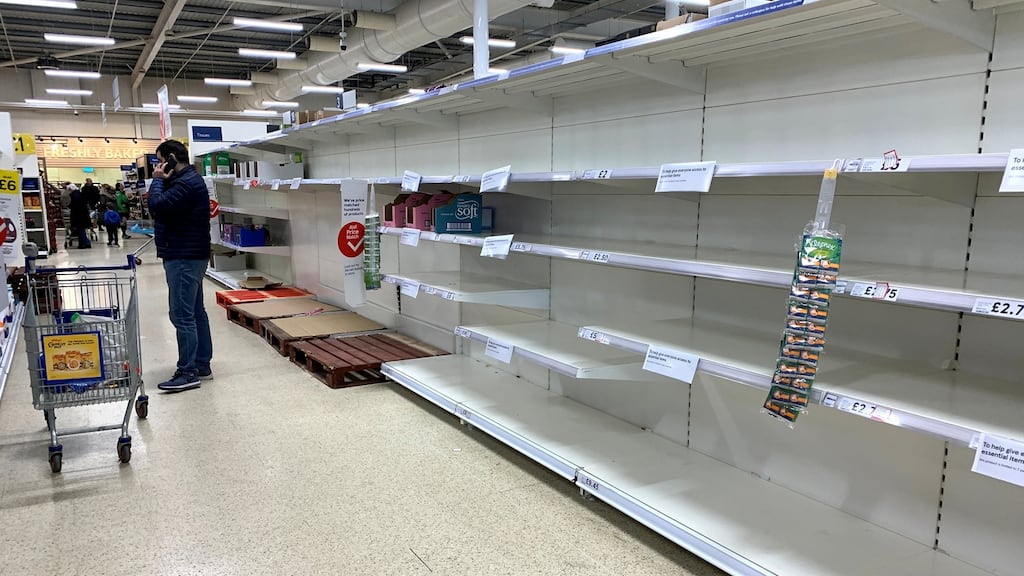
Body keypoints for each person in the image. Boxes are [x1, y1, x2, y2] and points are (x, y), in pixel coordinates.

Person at [149, 140, 212, 392]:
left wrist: (156, 180)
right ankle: (201, 363)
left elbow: (157, 207)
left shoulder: (185, 183)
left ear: (172, 158)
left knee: (181, 315)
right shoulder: (185, 180)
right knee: (195, 311)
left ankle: (188, 372)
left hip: (184, 256)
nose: (159, 166)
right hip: (188, 253)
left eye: (160, 160)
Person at [68, 184, 92, 249]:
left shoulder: (74, 195)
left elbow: (74, 206)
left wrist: (69, 206)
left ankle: (84, 244)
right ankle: (86, 243)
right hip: (84, 215)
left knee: (80, 230)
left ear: (71, 189)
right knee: (82, 230)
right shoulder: (80, 194)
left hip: (78, 216)